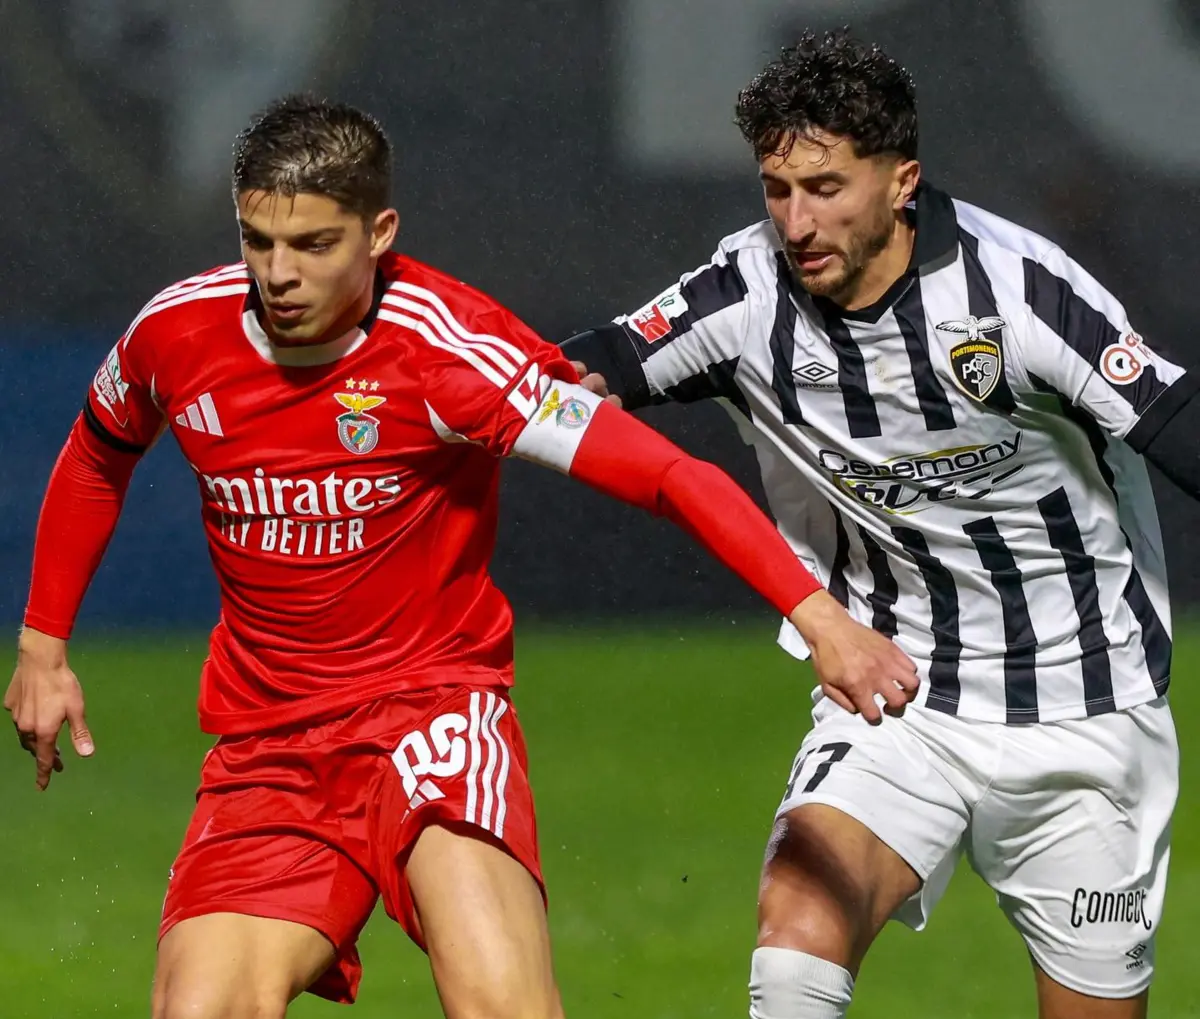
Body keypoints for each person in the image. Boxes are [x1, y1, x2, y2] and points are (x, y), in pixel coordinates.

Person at [4, 95, 913, 1019]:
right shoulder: (176, 334)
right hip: (268, 750)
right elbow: (96, 452)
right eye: (258, 241)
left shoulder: (453, 354)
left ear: (379, 232)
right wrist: (43, 647)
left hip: (429, 721)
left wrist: (818, 615)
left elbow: (669, 477)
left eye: (314, 245)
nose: (278, 274)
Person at [563, 30, 1200, 1019]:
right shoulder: (746, 295)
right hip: (899, 698)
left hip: (1086, 707)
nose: (797, 219)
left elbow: (1174, 421)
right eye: (778, 189)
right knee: (794, 935)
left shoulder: (1019, 291)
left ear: (902, 180)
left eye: (826, 186)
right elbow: (591, 367)